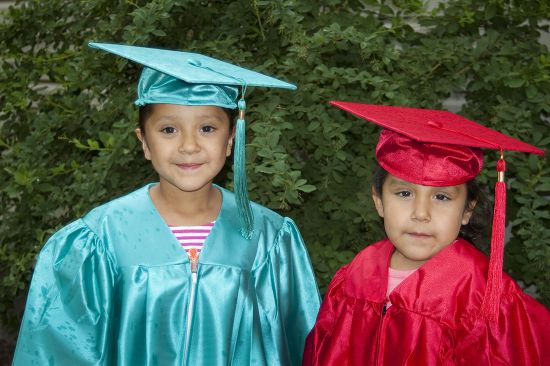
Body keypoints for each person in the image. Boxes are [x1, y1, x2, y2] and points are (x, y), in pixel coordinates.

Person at [13, 43, 320, 365]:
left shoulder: (268, 237)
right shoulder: (99, 239)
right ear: (144, 141)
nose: (189, 146)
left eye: (207, 128)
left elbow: (297, 345)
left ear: (230, 140)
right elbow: (59, 350)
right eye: (169, 129)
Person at [303, 102, 550, 365]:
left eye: (442, 197)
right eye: (404, 193)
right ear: (379, 201)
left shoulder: (484, 296)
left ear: (467, 210)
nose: (421, 213)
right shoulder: (355, 275)